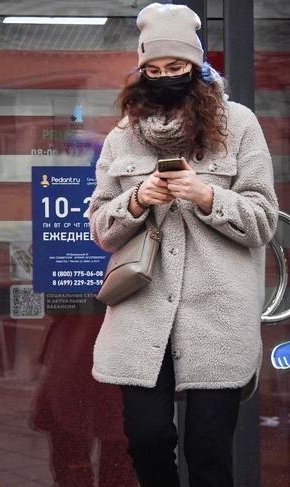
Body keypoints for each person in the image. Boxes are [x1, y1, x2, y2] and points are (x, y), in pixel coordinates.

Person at [88, 3, 279, 487]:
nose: (165, 78)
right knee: (146, 437)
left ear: (197, 68)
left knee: (209, 450)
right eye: (153, 70)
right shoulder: (122, 137)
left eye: (176, 69)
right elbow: (101, 228)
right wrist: (136, 200)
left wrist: (206, 195)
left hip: (217, 312)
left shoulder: (239, 125)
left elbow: (263, 221)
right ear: (141, 72)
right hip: (143, 309)